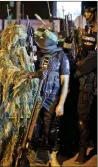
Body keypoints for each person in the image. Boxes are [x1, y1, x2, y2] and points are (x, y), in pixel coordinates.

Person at [0, 24, 42, 167]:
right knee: (5, 141)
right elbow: (11, 74)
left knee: (22, 141)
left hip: (25, 108)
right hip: (8, 107)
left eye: (23, 39)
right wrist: (32, 75)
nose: (21, 42)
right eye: (18, 38)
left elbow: (33, 83)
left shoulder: (25, 56)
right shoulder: (3, 56)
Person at [34, 28, 70, 166]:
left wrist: (61, 104)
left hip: (53, 97)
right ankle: (37, 152)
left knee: (51, 128)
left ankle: (52, 155)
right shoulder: (38, 54)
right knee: (35, 127)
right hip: (37, 96)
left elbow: (65, 82)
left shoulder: (62, 56)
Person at [74, 33, 97, 164]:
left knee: (83, 123)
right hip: (85, 94)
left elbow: (78, 73)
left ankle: (82, 154)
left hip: (88, 95)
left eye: (90, 42)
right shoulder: (84, 55)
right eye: (85, 42)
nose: (87, 44)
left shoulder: (94, 57)